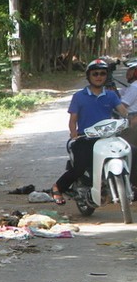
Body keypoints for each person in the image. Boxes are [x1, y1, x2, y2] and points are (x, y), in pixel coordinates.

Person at [51, 58, 128, 204]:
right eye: (95, 74)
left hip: (107, 137)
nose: (99, 77)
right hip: (86, 138)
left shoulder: (111, 95)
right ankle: (57, 186)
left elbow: (123, 112)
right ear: (89, 76)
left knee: (132, 152)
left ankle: (131, 186)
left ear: (107, 76)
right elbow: (73, 120)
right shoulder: (79, 96)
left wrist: (127, 118)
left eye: (102, 73)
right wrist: (74, 133)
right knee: (80, 166)